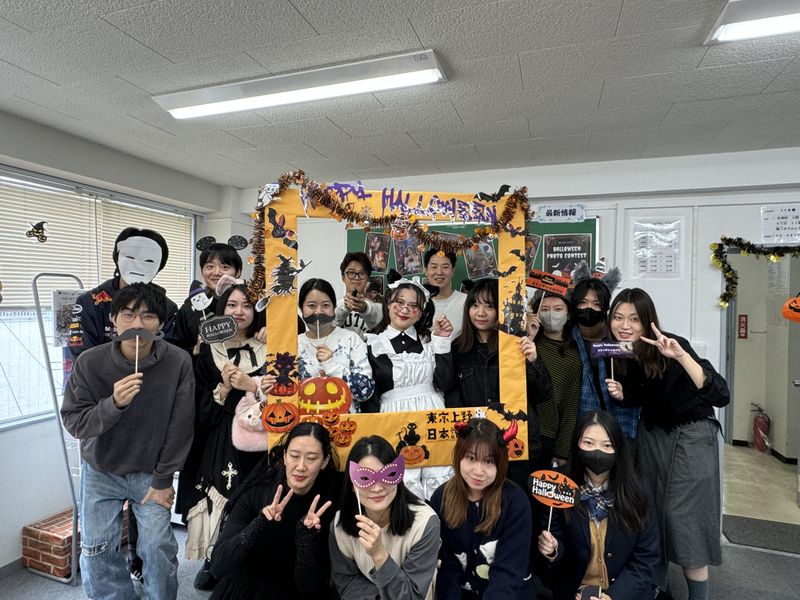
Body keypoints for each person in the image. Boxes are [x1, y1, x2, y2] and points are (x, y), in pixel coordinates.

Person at [61, 283, 195, 600]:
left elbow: (180, 426)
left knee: (158, 548)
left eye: (148, 316)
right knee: (96, 550)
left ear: (160, 324)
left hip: (151, 471)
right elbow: (75, 422)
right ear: (113, 320)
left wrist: (163, 479)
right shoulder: (89, 362)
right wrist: (114, 404)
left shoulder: (178, 362)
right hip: (101, 470)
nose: (137, 324)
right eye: (128, 314)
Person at [604, 288, 729, 600]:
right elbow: (647, 395)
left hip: (692, 434)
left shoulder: (670, 344)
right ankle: (658, 590)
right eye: (618, 317)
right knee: (652, 512)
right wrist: (623, 395)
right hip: (653, 436)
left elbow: (720, 394)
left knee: (685, 519)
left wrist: (681, 356)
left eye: (634, 319)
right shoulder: (620, 352)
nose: (624, 325)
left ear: (648, 321)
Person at [180, 275, 271, 590]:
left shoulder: (272, 345)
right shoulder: (208, 351)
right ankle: (214, 558)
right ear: (220, 309)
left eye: (247, 305)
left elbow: (284, 395)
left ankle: (252, 559)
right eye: (231, 304)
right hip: (219, 435)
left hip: (262, 436)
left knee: (259, 497)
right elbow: (197, 403)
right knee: (219, 493)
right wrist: (223, 388)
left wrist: (252, 386)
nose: (239, 311)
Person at [209, 423, 341, 600]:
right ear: (285, 456)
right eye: (294, 456)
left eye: (311, 458)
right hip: (244, 589)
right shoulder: (255, 494)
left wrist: (306, 539)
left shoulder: (327, 506)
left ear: (324, 461)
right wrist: (259, 524)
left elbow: (308, 587)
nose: (301, 466)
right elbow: (218, 567)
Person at [537, 411, 659, 600]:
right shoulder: (558, 486)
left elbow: (647, 556)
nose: (597, 451)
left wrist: (614, 597)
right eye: (588, 443)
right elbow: (557, 544)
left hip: (626, 593)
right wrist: (553, 550)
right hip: (574, 591)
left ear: (619, 448)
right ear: (576, 444)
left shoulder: (639, 490)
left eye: (607, 445)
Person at [448, 278, 551, 488]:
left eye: (489, 306)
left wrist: (532, 360)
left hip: (518, 443)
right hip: (478, 447)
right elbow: (453, 397)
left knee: (517, 501)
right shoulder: (458, 349)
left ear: (501, 310)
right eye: (475, 305)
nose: (481, 313)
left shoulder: (517, 344)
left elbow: (543, 394)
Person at [364, 276, 454, 499]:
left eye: (413, 305)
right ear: (388, 303)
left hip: (432, 413)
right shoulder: (372, 342)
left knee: (440, 476)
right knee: (403, 480)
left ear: (421, 312)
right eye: (399, 302)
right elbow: (371, 396)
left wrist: (443, 341)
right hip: (393, 417)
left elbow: (445, 383)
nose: (405, 309)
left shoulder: (431, 340)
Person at [431, 418, 534, 599]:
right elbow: (447, 569)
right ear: (459, 457)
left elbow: (508, 573)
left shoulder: (516, 502)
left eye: (488, 461)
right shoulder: (441, 498)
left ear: (500, 464)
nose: (478, 471)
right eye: (471, 458)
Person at [330, 436, 440, 600]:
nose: (377, 488)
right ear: (352, 484)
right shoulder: (340, 525)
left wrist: (379, 554)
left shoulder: (425, 523)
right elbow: (346, 582)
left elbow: (413, 596)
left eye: (389, 475)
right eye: (365, 478)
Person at [69, 226, 178, 358]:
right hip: (100, 371)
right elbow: (82, 356)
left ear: (160, 266)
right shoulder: (89, 303)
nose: (138, 265)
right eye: (130, 257)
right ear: (117, 258)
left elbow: (168, 354)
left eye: (149, 261)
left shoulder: (168, 307)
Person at [570, 276, 640, 444]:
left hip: (621, 420)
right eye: (583, 303)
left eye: (596, 304)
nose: (589, 308)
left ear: (606, 307)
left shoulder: (619, 334)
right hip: (583, 422)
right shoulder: (567, 337)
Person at [297, 278, 374, 411]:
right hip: (306, 422)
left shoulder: (351, 340)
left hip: (347, 421)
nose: (318, 311)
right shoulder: (293, 345)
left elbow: (365, 392)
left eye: (326, 305)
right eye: (311, 305)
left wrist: (331, 365)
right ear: (301, 308)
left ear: (334, 308)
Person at [527, 292, 582, 468]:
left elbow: (570, 406)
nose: (551, 314)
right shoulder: (526, 344)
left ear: (568, 314)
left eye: (558, 309)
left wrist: (562, 450)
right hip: (519, 426)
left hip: (547, 435)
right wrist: (528, 336)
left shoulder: (574, 355)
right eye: (544, 309)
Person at [172, 242, 243, 354]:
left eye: (225, 267)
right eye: (210, 266)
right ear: (202, 271)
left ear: (237, 272)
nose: (216, 272)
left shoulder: (249, 305)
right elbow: (175, 351)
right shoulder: (189, 309)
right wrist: (195, 349)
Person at [335, 251, 383, 339]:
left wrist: (365, 308)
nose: (356, 278)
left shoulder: (378, 309)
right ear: (343, 278)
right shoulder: (334, 307)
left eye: (362, 273)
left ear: (367, 278)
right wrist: (345, 307)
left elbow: (378, 324)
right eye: (351, 273)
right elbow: (326, 328)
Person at [424, 249, 467, 338]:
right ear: (426, 270)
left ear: (453, 271)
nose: (439, 272)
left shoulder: (466, 301)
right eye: (434, 267)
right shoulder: (417, 303)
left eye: (445, 267)